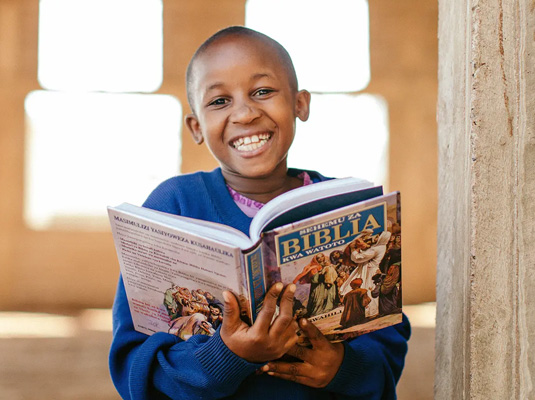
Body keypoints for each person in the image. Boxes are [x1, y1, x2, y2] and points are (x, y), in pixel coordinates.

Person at [109, 26, 410, 400]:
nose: (246, 113)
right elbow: (134, 362)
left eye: (263, 92)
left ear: (300, 104)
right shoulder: (173, 205)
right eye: (219, 101)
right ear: (196, 126)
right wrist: (228, 356)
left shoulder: (350, 206)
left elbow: (387, 341)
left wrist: (341, 367)